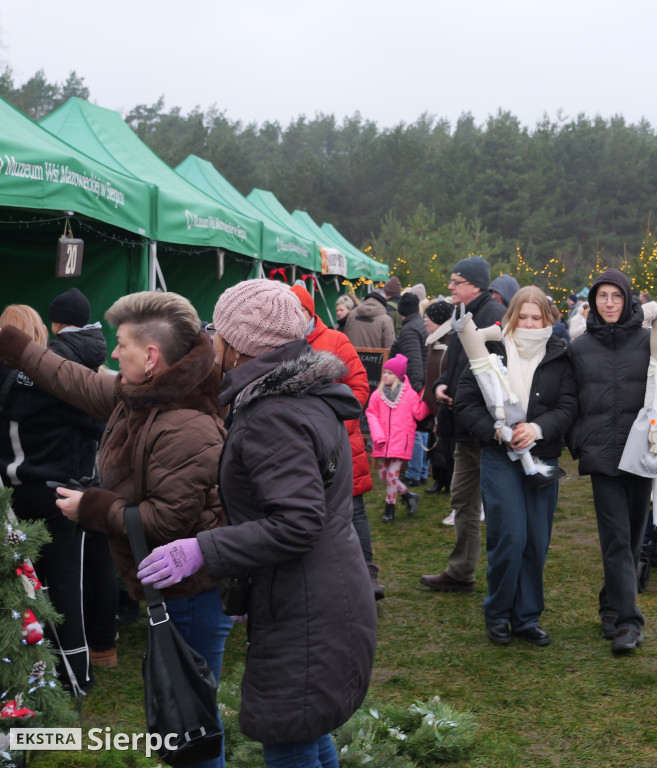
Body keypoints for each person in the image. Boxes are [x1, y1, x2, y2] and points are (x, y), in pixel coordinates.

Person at [139, 279, 376, 768]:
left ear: (238, 345)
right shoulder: (300, 394)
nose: (212, 341)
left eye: (217, 331)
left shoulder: (274, 413)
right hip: (316, 589)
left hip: (307, 603)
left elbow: (297, 522)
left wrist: (202, 549)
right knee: (304, 730)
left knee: (288, 737)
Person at [0, 291, 231, 768]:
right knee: (182, 719)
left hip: (191, 594)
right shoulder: (145, 396)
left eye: (122, 344)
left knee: (191, 720)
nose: (112, 352)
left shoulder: (185, 425)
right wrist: (19, 348)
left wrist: (92, 506)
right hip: (168, 588)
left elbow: (167, 521)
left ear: (151, 357)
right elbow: (77, 381)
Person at [0, 299, 116, 693]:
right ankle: (75, 676)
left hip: (13, 496)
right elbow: (97, 425)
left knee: (22, 590)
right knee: (66, 586)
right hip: (62, 493)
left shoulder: (14, 381)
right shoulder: (67, 376)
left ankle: (27, 678)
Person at [456, 286, 576, 647]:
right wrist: (496, 431)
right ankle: (497, 612)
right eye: (522, 316)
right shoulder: (491, 347)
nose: (529, 323)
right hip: (499, 456)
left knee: (536, 541)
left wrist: (537, 428)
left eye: (536, 317)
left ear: (547, 319)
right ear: (511, 317)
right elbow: (465, 403)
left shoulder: (559, 354)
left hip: (542, 456)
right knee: (510, 537)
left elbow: (568, 406)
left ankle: (527, 617)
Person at [569, 268, 652, 654]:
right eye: (602, 296)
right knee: (616, 537)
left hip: (640, 456)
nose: (609, 303)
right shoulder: (580, 348)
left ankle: (610, 604)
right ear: (593, 302)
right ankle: (628, 622)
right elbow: (569, 400)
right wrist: (580, 441)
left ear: (628, 298)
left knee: (632, 537)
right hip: (602, 455)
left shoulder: (651, 343)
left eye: (616, 296)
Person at [290, 284, 383, 601]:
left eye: (297, 310)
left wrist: (336, 423)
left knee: (354, 510)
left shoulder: (335, 340)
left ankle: (367, 574)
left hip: (341, 443)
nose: (291, 317)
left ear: (309, 312)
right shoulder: (278, 344)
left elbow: (359, 386)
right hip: (297, 446)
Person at [420, 255, 506, 592]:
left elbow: (497, 371)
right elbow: (455, 364)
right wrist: (442, 384)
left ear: (475, 285)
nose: (450, 287)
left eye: (457, 282)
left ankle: (503, 578)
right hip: (462, 428)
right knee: (462, 501)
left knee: (498, 506)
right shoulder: (462, 313)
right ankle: (461, 572)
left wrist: (465, 398)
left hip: (484, 429)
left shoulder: (494, 316)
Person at [366, 354, 429, 523]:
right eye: (385, 372)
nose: (385, 375)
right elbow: (371, 414)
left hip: (401, 442)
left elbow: (419, 413)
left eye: (390, 373)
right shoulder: (377, 395)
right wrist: (377, 435)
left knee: (392, 477)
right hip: (382, 442)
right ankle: (408, 496)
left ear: (399, 376)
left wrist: (428, 401)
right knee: (383, 475)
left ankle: (390, 508)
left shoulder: (409, 395)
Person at [391, 292, 430, 488]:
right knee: (422, 429)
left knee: (414, 429)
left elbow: (414, 362)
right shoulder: (420, 324)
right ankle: (421, 471)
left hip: (415, 385)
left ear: (401, 312)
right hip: (424, 383)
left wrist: (415, 390)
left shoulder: (409, 330)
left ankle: (414, 473)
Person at [422, 300, 455, 497]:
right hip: (432, 403)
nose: (425, 321)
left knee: (445, 445)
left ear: (439, 319)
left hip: (445, 402)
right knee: (435, 444)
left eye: (428, 318)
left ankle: (448, 480)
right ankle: (438, 479)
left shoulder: (451, 342)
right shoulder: (434, 341)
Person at [345, 280, 397, 350]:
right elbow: (389, 347)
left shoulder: (352, 315)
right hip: (376, 357)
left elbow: (346, 338)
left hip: (352, 355)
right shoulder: (386, 320)